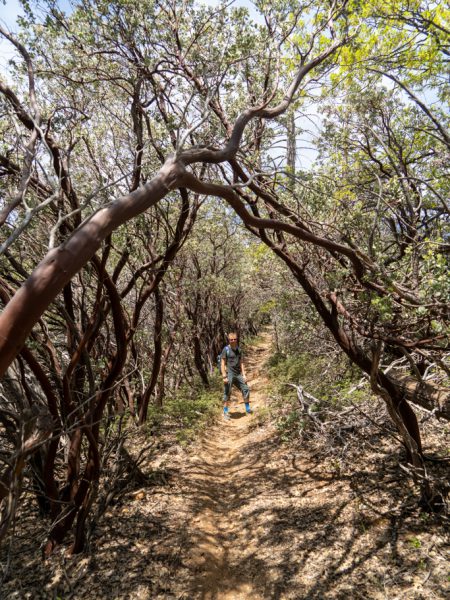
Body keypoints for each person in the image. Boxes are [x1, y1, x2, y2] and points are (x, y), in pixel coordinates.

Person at [220, 332, 251, 420]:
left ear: (237, 339)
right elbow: (222, 363)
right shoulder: (226, 349)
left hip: (238, 374)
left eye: (234, 339)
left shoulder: (239, 349)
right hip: (229, 373)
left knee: (245, 389)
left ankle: (248, 409)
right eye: (231, 339)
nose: (233, 341)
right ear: (229, 340)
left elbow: (241, 363)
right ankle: (225, 412)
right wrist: (224, 376)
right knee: (227, 392)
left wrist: (244, 375)